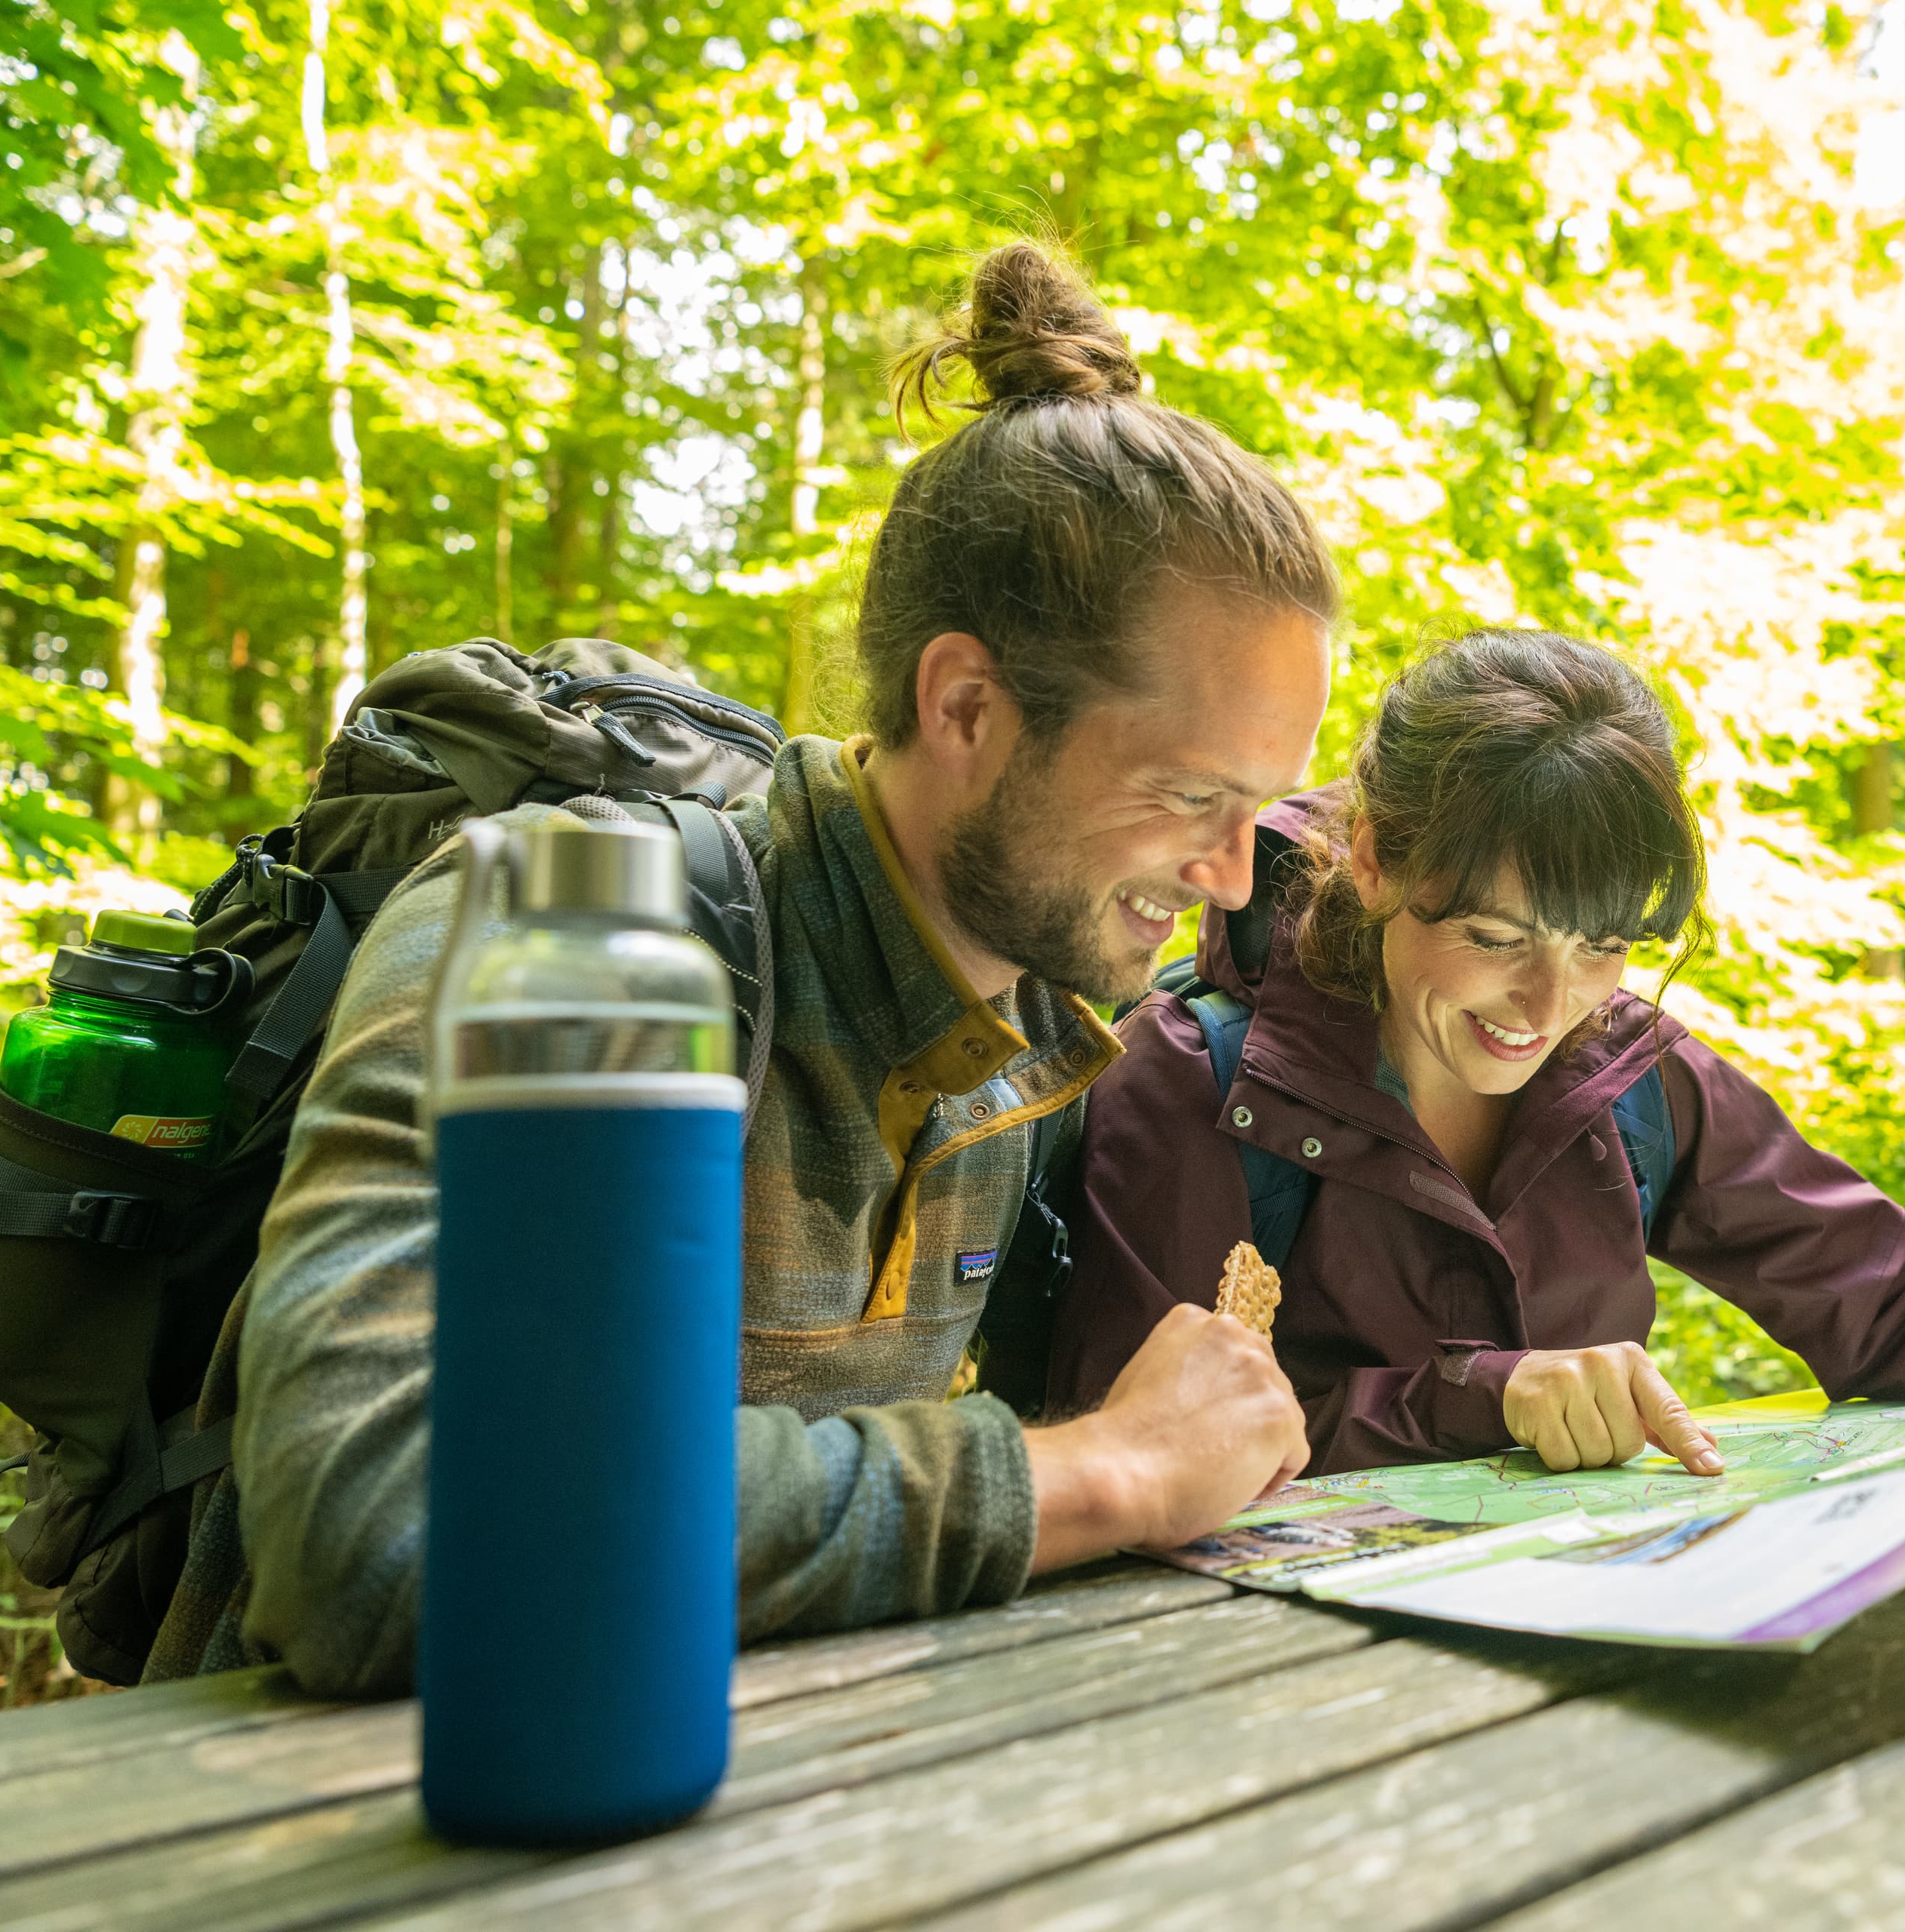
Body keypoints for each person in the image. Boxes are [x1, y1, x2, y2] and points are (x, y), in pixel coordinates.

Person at [147, 243, 1330, 1691]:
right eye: (1188, 796)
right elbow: (382, 1531)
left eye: (1258, 813)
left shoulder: (1034, 1039)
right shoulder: (563, 930)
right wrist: (1095, 1479)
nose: (1226, 877)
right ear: (965, 704)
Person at [1048, 630, 1905, 1477]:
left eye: (1607, 946)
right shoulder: (1199, 1082)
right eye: (1499, 935)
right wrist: (1478, 1395)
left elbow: (1891, 1307)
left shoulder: (1637, 1085)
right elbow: (1122, 1443)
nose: (1548, 1004)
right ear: (1383, 861)